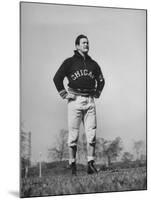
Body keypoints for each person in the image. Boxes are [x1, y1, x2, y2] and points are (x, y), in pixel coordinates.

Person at [53, 34, 105, 175]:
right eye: (83, 43)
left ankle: (90, 164)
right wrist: (64, 93)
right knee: (73, 135)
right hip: (74, 100)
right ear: (76, 46)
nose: (86, 45)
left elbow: (101, 80)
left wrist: (98, 92)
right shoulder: (69, 62)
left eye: (87, 43)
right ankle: (73, 165)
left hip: (89, 100)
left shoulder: (93, 64)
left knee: (92, 134)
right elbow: (57, 78)